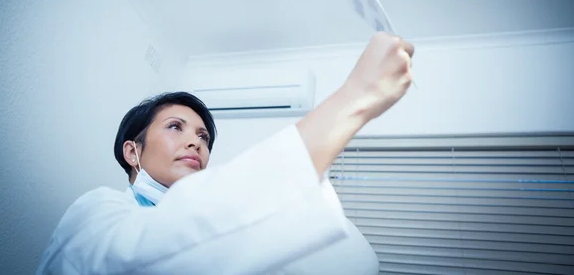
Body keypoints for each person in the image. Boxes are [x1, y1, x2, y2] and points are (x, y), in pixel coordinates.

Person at [37, 32, 415, 275]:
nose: (196, 143)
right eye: (175, 127)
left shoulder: (235, 231)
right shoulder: (94, 217)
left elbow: (357, 262)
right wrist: (355, 98)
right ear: (132, 152)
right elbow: (146, 254)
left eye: (203, 137)